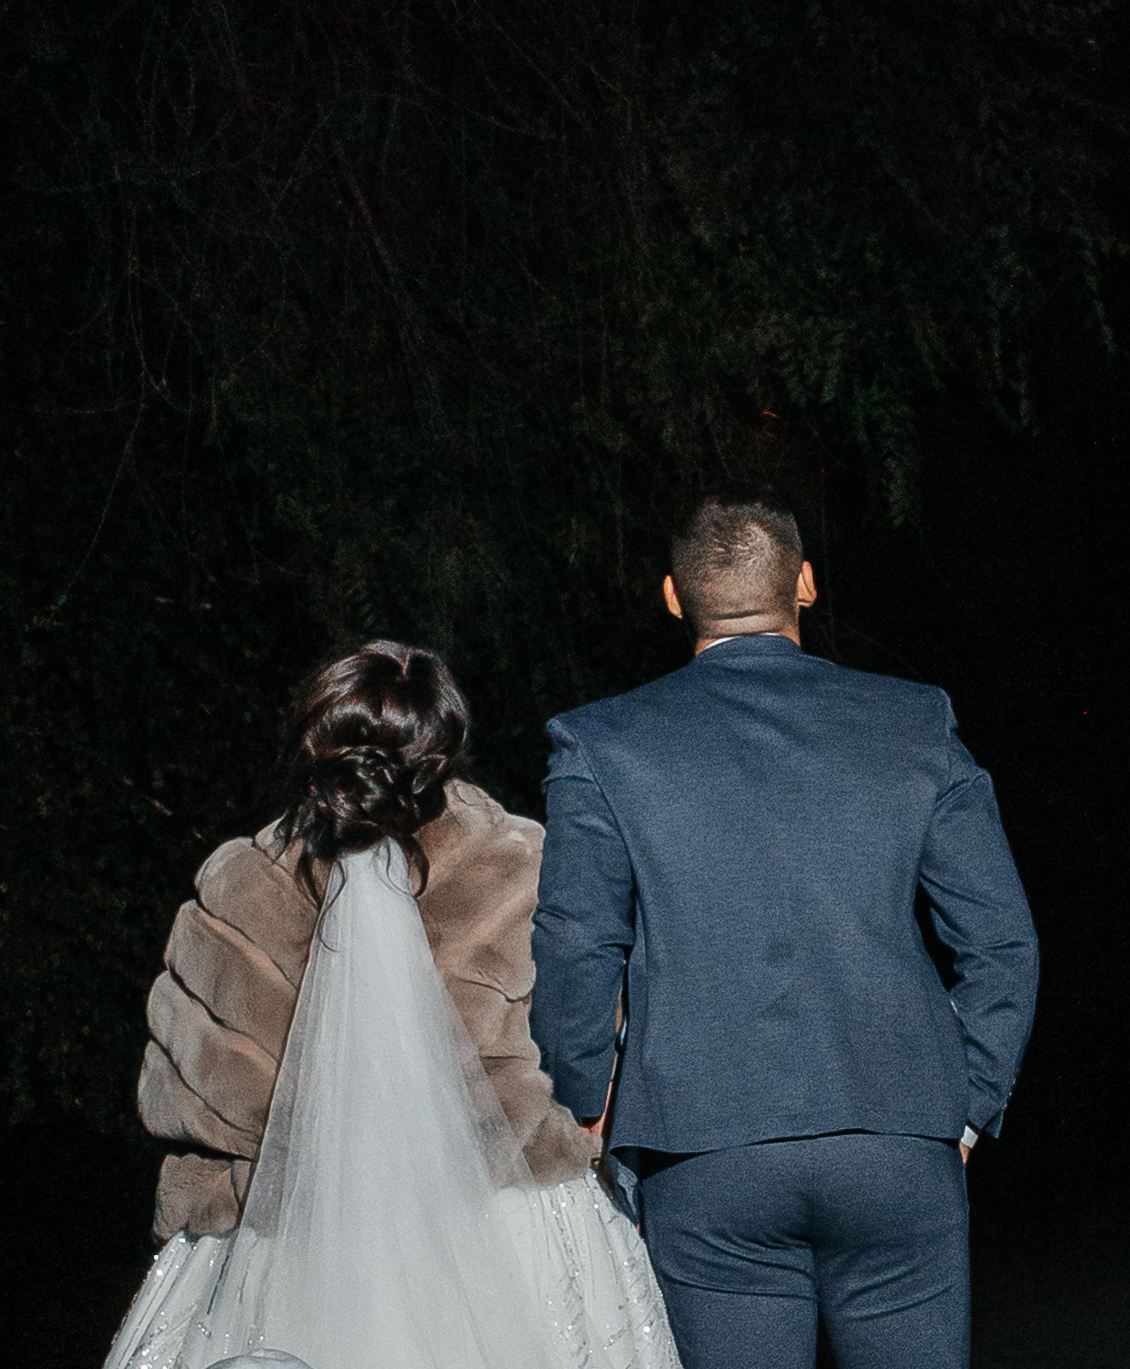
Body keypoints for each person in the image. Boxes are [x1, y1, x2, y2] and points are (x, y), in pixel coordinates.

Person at [531, 491, 1039, 1369]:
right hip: (896, 1134)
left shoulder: (602, 742)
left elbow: (578, 944)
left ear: (673, 597)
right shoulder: (913, 721)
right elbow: (1000, 942)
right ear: (804, 584)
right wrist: (966, 1107)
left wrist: (584, 1103)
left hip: (704, 1145)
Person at [102, 638, 682, 1369]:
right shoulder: (526, 867)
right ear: (448, 750)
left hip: (283, 1235)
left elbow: (188, 1096)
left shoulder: (237, 887)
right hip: (512, 1223)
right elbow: (592, 1039)